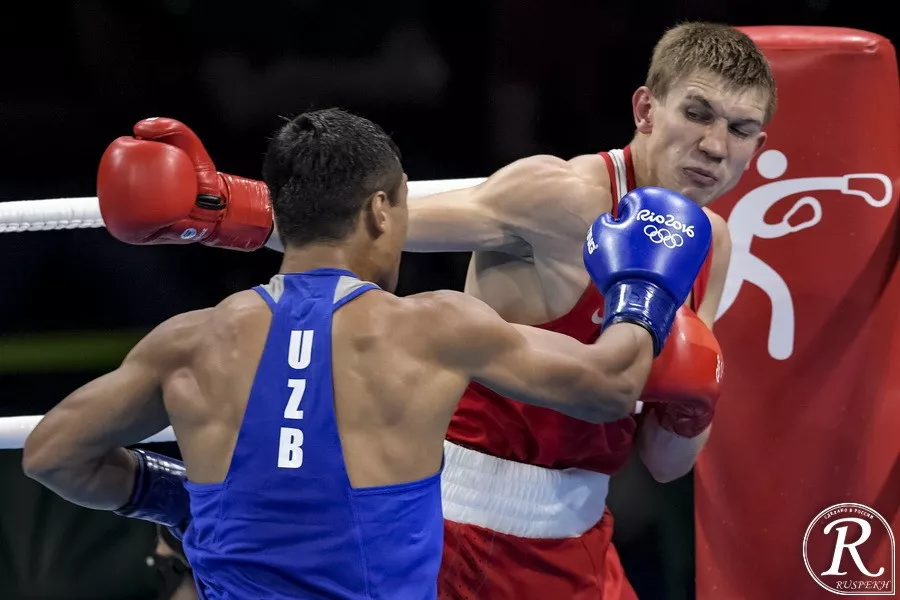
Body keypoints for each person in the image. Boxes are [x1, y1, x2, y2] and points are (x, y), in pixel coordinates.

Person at [94, 20, 768, 599]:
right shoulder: (558, 196)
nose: (715, 145)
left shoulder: (717, 245)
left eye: (741, 129)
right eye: (698, 113)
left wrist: (689, 404)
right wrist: (222, 209)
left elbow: (664, 459)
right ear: (647, 109)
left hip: (583, 536)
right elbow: (364, 224)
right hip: (458, 529)